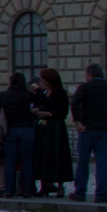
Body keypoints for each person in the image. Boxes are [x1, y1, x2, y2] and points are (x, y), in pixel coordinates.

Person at [68, 63, 107, 204]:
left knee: (83, 161)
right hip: (105, 129)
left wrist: (77, 121)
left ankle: (80, 192)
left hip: (87, 128)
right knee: (102, 161)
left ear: (90, 75)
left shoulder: (85, 88)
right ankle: (101, 193)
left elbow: (74, 103)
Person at [0, 72, 39, 196]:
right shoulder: (27, 95)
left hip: (11, 130)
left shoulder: (3, 95)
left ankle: (9, 190)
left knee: (10, 161)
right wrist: (38, 90)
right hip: (27, 129)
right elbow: (45, 101)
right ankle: (26, 190)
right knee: (27, 161)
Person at [31, 68, 73, 196]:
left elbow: (61, 111)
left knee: (58, 155)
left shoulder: (60, 93)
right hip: (44, 128)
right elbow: (43, 102)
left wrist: (49, 114)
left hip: (56, 128)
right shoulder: (45, 91)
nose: (41, 82)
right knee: (44, 155)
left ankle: (60, 185)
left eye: (43, 80)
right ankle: (45, 185)